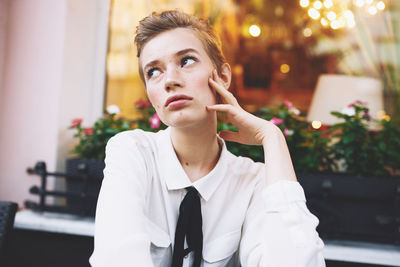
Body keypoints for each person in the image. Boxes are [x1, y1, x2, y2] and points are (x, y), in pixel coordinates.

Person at [89, 10, 326, 267]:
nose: (170, 80)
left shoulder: (254, 181)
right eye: (154, 71)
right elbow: (116, 259)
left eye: (187, 61)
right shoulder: (133, 153)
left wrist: (273, 137)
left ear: (222, 77)